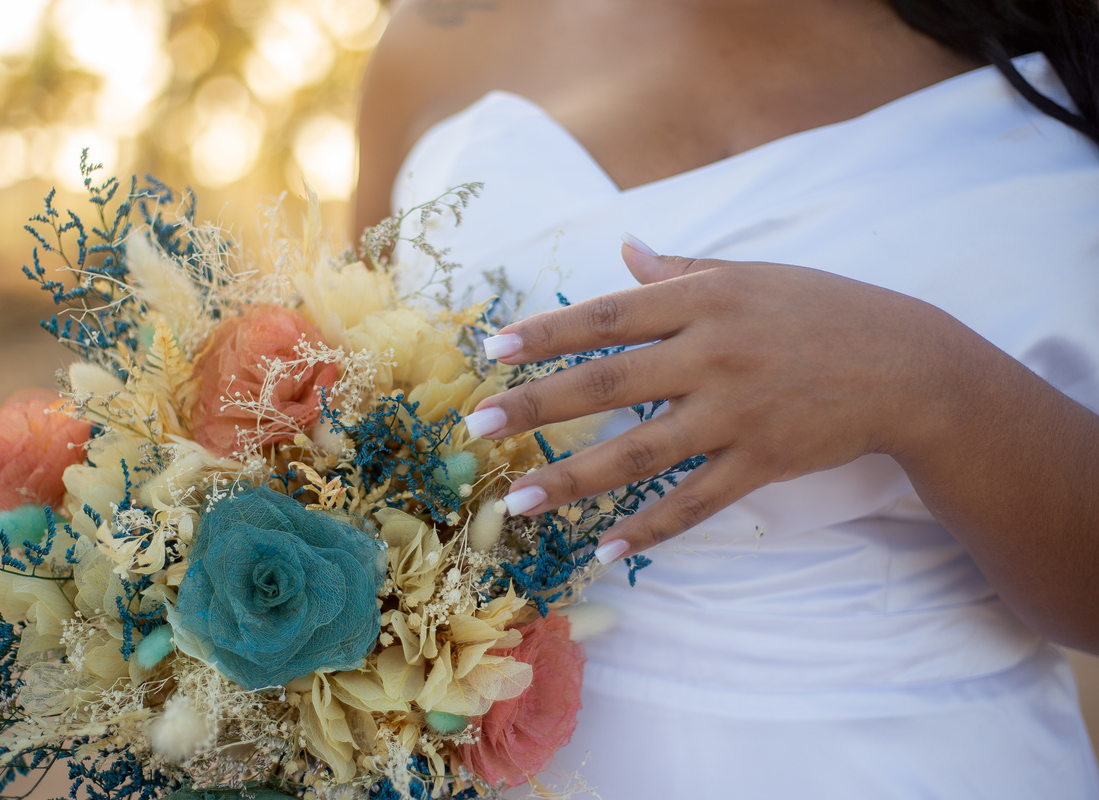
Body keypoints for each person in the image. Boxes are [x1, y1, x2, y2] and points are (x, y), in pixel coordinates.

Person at [353, 1, 1099, 796]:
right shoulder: (446, 31)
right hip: (478, 757)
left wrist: (927, 384)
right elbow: (346, 419)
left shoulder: (1066, 58)